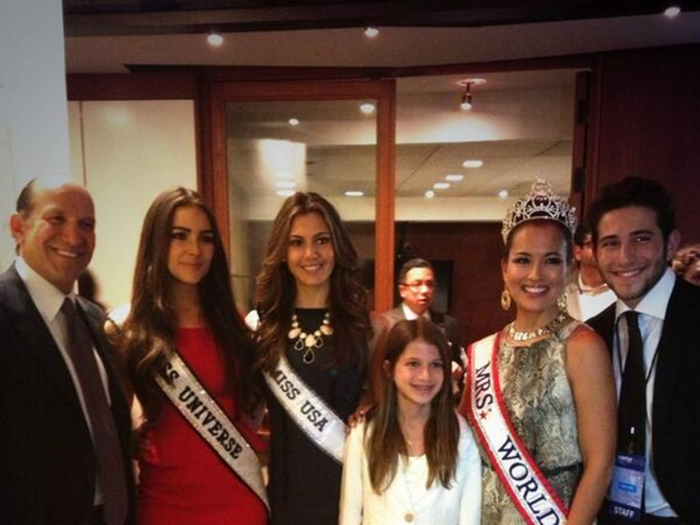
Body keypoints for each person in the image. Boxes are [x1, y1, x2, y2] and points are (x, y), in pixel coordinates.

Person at [459, 178, 617, 525]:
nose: (535, 274)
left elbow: (601, 464)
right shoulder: (483, 351)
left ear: (569, 269)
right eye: (522, 260)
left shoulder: (582, 346)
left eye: (550, 261)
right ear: (504, 268)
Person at [119, 187, 268, 525]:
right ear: (157, 242)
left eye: (205, 238)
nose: (195, 250)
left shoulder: (235, 326)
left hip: (237, 499)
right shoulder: (131, 331)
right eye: (179, 236)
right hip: (163, 503)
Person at [0, 176, 134, 525]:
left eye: (86, 225)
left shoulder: (93, 320)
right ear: (18, 227)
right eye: (56, 219)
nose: (74, 237)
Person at [255, 191, 372, 525]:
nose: (310, 253)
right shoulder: (264, 329)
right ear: (282, 252)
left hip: (350, 499)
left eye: (322, 240)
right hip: (285, 498)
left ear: (337, 246)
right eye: (296, 242)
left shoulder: (364, 328)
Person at [587, 176, 700, 524]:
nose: (625, 257)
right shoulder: (592, 335)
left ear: (670, 244)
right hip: (611, 515)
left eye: (641, 239)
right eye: (610, 243)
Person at [339, 318, 481, 525]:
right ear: (390, 369)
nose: (425, 376)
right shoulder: (365, 432)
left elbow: (469, 519)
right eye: (413, 364)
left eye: (436, 365)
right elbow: (350, 515)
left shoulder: (461, 436)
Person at [383, 258, 463, 366]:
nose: (425, 290)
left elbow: (459, 360)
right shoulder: (385, 324)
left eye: (430, 284)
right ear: (403, 290)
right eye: (417, 284)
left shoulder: (448, 324)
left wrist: (457, 368)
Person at [565, 222, 616, 321]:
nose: (600, 250)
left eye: (606, 244)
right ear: (578, 252)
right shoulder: (561, 289)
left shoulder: (623, 289)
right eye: (592, 244)